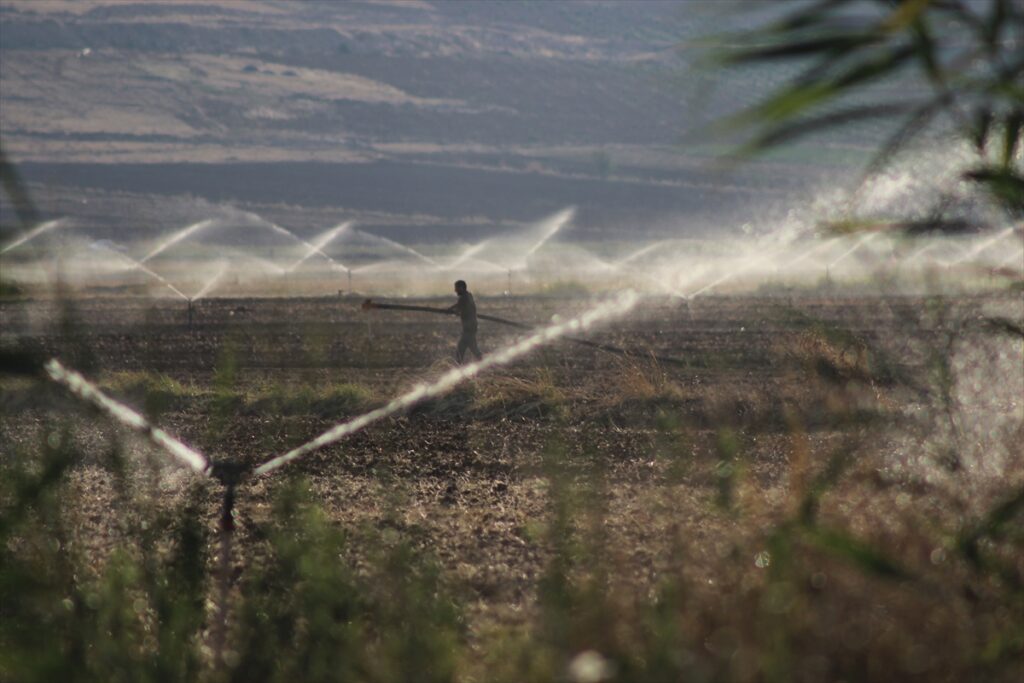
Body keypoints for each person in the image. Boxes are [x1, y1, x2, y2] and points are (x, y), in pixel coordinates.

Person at [447, 279, 482, 363]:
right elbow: (460, 307)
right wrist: (451, 310)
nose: (455, 290)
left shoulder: (464, 297)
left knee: (461, 349)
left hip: (469, 328)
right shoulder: (468, 296)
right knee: (473, 348)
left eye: (456, 288)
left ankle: (458, 368)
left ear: (461, 288)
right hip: (471, 327)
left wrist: (450, 310)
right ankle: (482, 362)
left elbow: (459, 307)